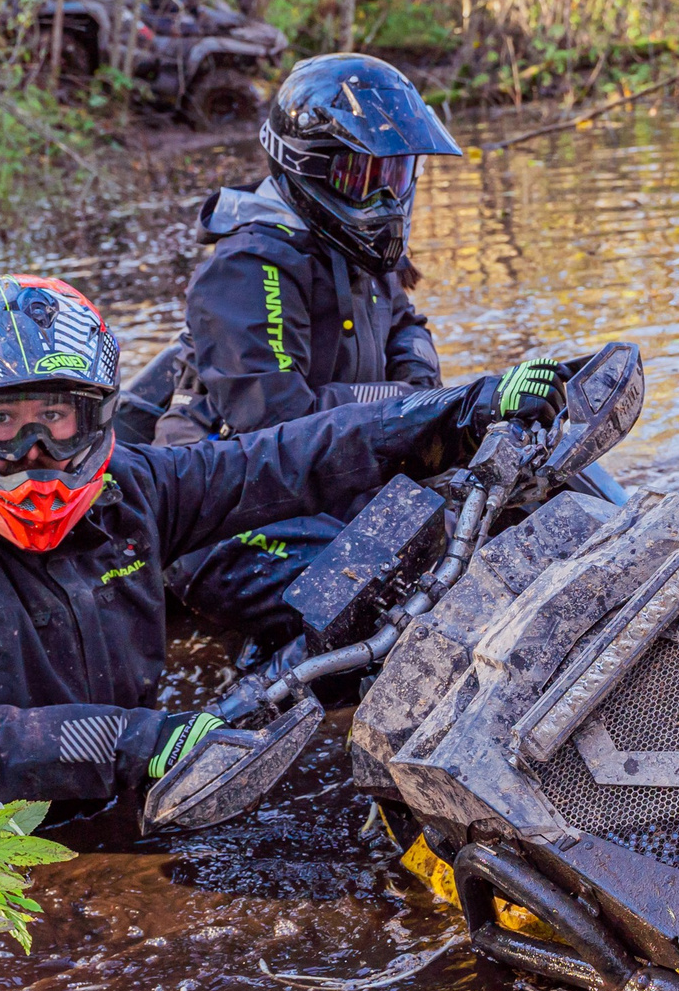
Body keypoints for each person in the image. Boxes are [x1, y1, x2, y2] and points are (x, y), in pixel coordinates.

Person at [0, 272, 566, 828]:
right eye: (3, 422)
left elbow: (277, 459)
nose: (37, 449)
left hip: (93, 795)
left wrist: (454, 410)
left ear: (95, 417)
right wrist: (149, 739)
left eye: (59, 419)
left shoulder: (125, 485)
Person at [149, 53, 498, 650]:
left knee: (497, 509)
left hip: (342, 471)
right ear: (309, 168)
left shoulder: (361, 247)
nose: (386, 195)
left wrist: (421, 393)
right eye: (366, 178)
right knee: (381, 593)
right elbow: (279, 419)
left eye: (396, 174)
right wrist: (411, 409)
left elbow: (407, 325)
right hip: (230, 504)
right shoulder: (249, 265)